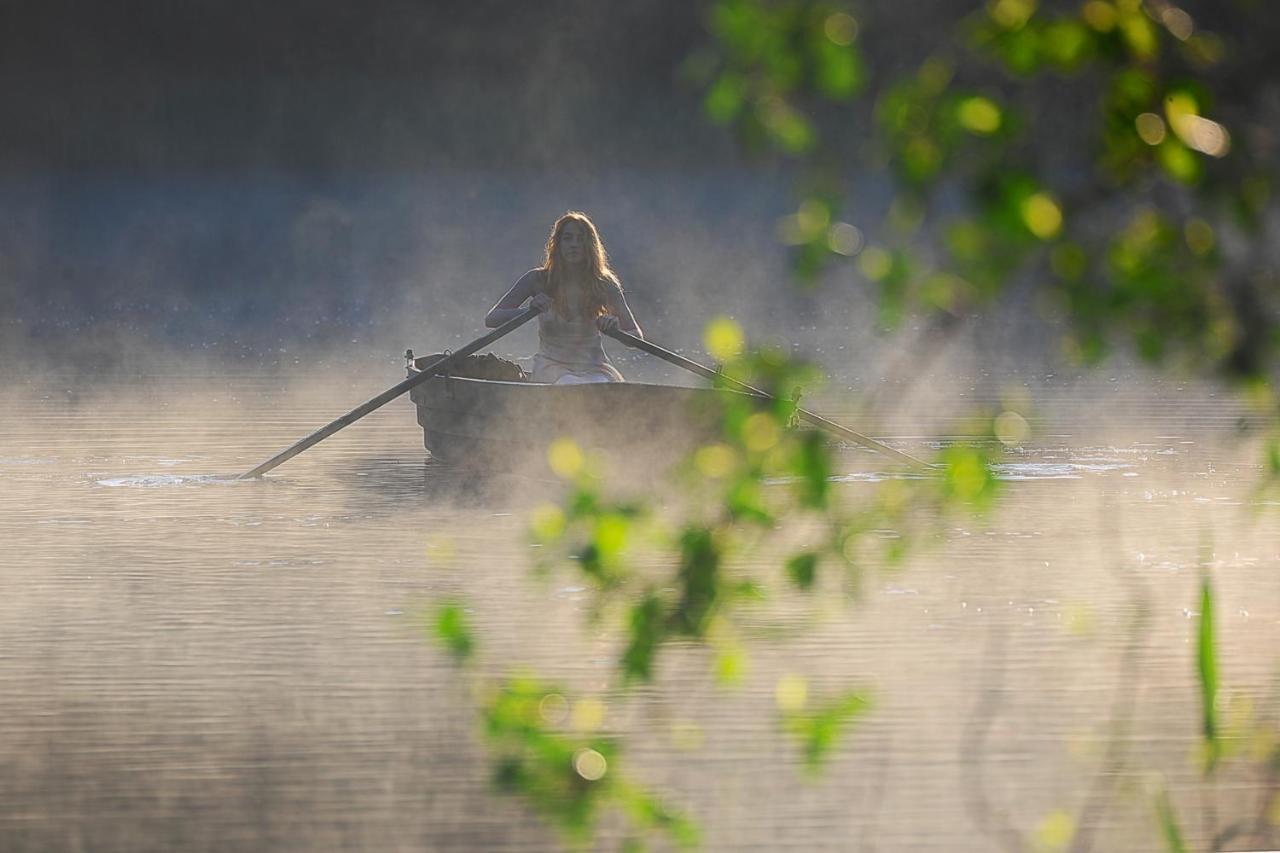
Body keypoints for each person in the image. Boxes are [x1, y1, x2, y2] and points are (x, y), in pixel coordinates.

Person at [485, 211, 643, 384]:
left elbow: (636, 337)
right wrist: (529, 311)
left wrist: (616, 329)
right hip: (552, 366)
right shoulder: (537, 279)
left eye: (580, 239)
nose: (574, 245)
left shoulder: (604, 283)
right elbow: (492, 319)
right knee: (571, 384)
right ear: (557, 244)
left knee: (602, 386)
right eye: (567, 238)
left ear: (589, 245)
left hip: (595, 366)